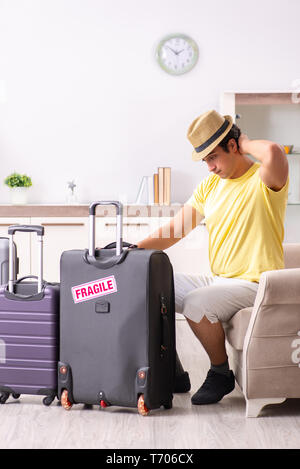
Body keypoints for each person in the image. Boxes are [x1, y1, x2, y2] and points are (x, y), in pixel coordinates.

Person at [137, 109, 289, 405]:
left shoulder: (263, 180)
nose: (209, 167)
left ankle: (220, 373)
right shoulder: (211, 186)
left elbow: (272, 151)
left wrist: (244, 141)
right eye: (205, 160)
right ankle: (172, 370)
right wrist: (131, 250)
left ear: (233, 147)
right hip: (219, 280)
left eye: (212, 157)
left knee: (196, 303)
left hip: (255, 283)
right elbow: (175, 229)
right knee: (151, 284)